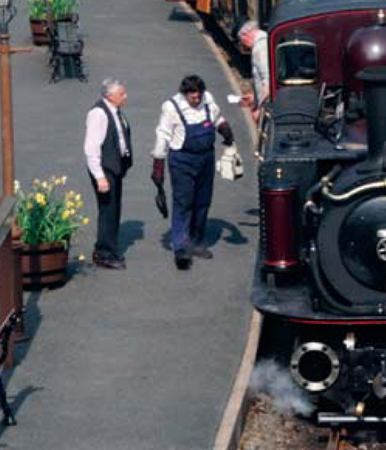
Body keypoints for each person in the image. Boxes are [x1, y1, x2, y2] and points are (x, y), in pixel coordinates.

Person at [151, 73, 234, 270]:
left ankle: (196, 241)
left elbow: (217, 117)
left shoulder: (208, 99)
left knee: (203, 201)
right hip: (182, 160)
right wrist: (158, 165)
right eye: (193, 97)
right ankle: (181, 247)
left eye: (199, 96)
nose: (197, 100)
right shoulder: (171, 107)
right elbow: (163, 135)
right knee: (183, 202)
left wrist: (225, 130)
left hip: (206, 158)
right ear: (185, 94)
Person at [83, 79, 132, 270]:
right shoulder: (98, 114)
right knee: (108, 211)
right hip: (105, 170)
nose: (125, 96)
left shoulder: (114, 111)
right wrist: (99, 176)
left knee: (113, 210)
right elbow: (91, 147)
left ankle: (109, 249)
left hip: (114, 168)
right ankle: (104, 253)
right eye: (122, 94)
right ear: (110, 96)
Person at [237, 22, 271, 119]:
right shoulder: (262, 43)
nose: (244, 45)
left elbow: (268, 81)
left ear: (246, 35)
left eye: (241, 41)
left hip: (267, 109)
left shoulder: (260, 48)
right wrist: (254, 97)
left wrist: (260, 110)